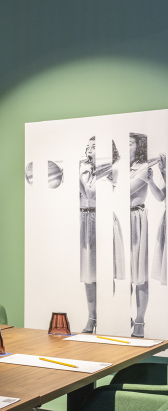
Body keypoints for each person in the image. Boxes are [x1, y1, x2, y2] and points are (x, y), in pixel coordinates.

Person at [78, 137, 125, 334]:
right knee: (89, 275)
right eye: (88, 145)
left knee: (104, 273)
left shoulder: (111, 169)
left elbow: (90, 193)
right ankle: (91, 317)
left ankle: (106, 316)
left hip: (102, 219)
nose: (89, 148)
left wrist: (77, 174)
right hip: (85, 219)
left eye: (94, 146)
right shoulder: (86, 170)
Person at [127, 133, 166, 337]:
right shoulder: (121, 167)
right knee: (123, 275)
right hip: (119, 220)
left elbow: (124, 191)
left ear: (139, 147)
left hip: (135, 219)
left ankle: (140, 321)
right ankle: (123, 316)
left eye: (130, 143)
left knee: (139, 274)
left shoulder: (143, 168)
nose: (126, 146)